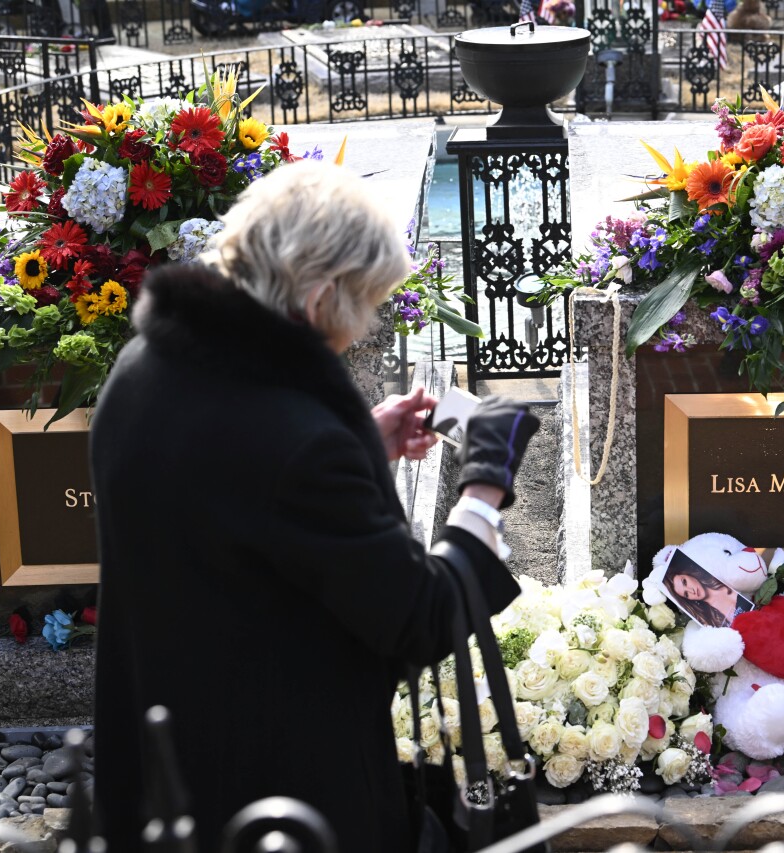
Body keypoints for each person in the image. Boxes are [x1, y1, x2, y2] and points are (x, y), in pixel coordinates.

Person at [89, 161, 538, 850]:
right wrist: (485, 482)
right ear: (323, 295)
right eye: (368, 304)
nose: (362, 329)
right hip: (283, 793)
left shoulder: (145, 367)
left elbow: (237, 492)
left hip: (168, 766)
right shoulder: (298, 447)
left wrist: (358, 437)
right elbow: (420, 616)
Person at [664, 558, 746, 627]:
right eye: (686, 594)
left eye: (685, 582)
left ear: (688, 574)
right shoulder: (707, 620)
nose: (691, 591)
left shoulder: (722, 575)